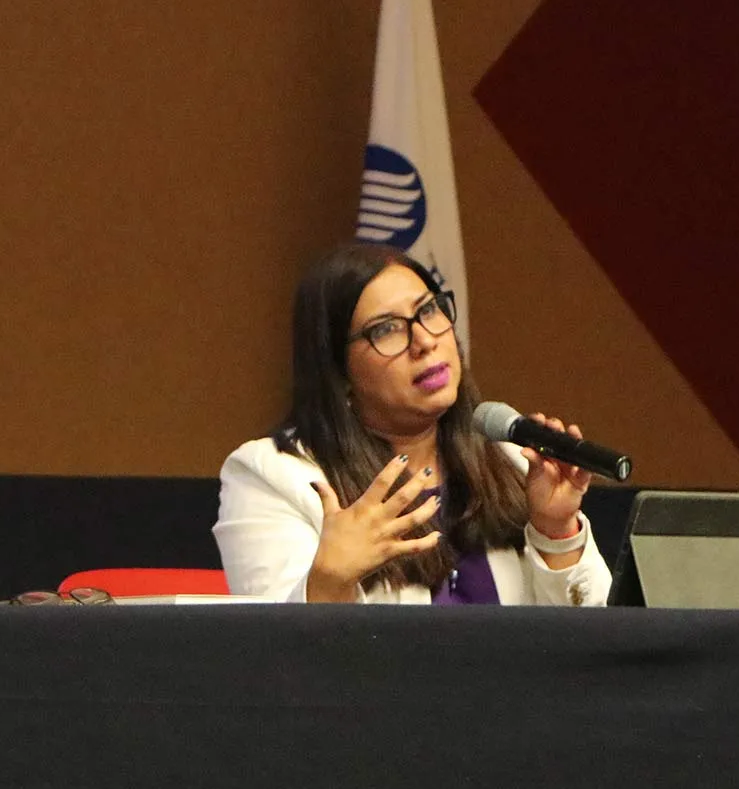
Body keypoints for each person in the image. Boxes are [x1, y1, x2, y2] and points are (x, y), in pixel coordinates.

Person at [215, 242, 611, 605]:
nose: (424, 340)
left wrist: (555, 531)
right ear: (339, 371)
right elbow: (270, 655)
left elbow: (587, 651)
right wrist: (327, 581)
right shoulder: (272, 476)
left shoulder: (513, 459)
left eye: (428, 310)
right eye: (385, 329)